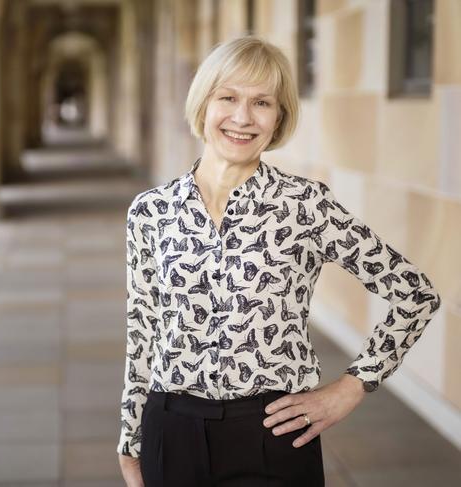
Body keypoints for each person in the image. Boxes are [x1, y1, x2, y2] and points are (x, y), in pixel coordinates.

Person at [116, 35, 441, 487]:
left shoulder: (305, 205)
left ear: (279, 117)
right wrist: (130, 441)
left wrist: (349, 389)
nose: (242, 118)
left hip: (272, 433)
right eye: (227, 97)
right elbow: (143, 330)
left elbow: (415, 295)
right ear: (203, 103)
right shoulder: (150, 210)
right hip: (172, 431)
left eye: (262, 103)